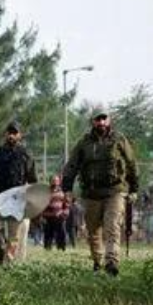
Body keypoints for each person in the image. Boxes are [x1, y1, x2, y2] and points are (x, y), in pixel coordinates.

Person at [62, 111, 139, 275]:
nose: (101, 122)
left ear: (109, 120)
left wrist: (134, 188)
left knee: (112, 227)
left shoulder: (119, 139)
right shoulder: (84, 143)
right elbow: (71, 166)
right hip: (91, 194)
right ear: (93, 122)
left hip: (115, 192)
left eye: (104, 119)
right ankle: (97, 262)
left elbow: (131, 163)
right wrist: (67, 188)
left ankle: (111, 262)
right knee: (93, 232)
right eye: (98, 119)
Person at [0, 121, 37, 265]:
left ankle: (7, 263)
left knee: (14, 235)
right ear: (5, 134)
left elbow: (32, 179)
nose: (11, 135)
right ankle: (2, 250)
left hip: (17, 199)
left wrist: (31, 197)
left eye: (14, 133)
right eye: (9, 132)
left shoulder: (25, 154)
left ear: (20, 135)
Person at [41, 175, 70, 250]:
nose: (55, 182)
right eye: (53, 181)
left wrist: (64, 213)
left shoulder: (63, 192)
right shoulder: (45, 192)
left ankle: (61, 249)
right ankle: (47, 249)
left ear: (59, 182)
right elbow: (41, 205)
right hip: (48, 217)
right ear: (50, 182)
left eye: (56, 181)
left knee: (61, 234)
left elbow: (66, 205)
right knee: (48, 235)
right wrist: (42, 215)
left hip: (60, 217)